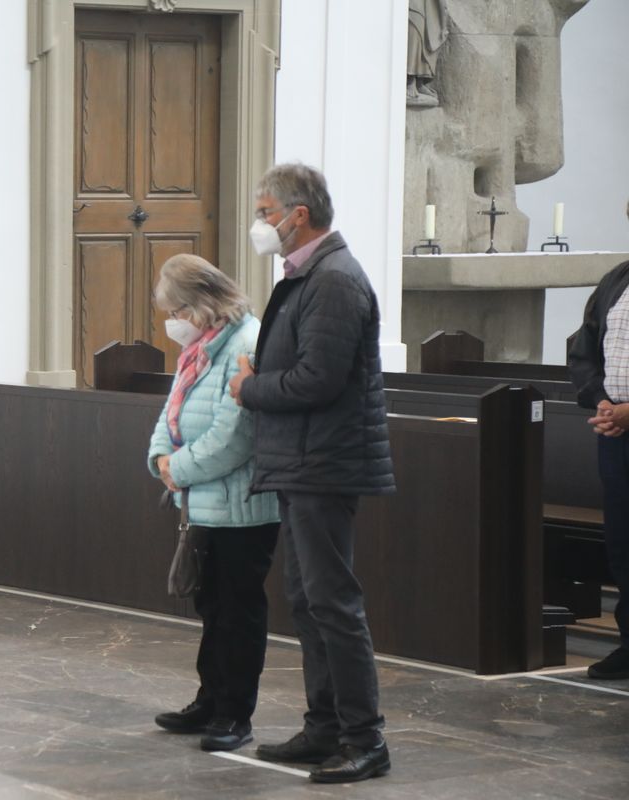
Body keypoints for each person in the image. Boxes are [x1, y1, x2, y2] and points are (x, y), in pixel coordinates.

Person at [228, 163, 395, 783]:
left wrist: (251, 386)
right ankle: (324, 727)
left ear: (299, 215)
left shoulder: (333, 281)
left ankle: (364, 738)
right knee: (306, 601)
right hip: (303, 460)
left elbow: (317, 380)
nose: (260, 223)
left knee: (334, 602)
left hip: (324, 463)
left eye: (265, 210)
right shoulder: (308, 276)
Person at [147, 254, 280, 753]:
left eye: (178, 309)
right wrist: (160, 455)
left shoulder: (248, 343)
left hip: (243, 504)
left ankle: (234, 713)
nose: (172, 321)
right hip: (204, 499)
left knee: (238, 609)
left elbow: (235, 435)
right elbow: (174, 406)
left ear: (203, 303)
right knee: (212, 606)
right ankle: (209, 699)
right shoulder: (202, 347)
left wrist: (176, 471)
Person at [566, 202, 629, 681]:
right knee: (622, 543)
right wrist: (604, 402)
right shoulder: (616, 280)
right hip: (616, 435)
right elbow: (582, 349)